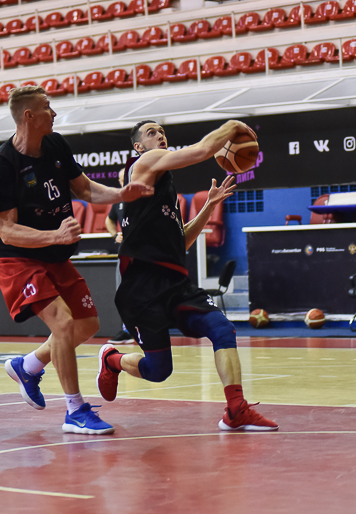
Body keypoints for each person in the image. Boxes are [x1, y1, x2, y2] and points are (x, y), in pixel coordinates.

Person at [0, 86, 153, 435]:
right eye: (47, 107)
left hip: (53, 253)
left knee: (87, 324)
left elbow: (85, 188)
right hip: (17, 258)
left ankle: (29, 366)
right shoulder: (0, 166)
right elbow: (7, 231)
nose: (54, 113)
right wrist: (55, 235)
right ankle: (75, 410)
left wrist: (121, 194)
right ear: (29, 116)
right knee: (62, 323)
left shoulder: (56, 145)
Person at [96, 120, 278, 432]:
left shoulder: (164, 186)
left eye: (162, 131)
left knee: (222, 328)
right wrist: (232, 125)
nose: (160, 135)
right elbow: (203, 149)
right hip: (142, 288)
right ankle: (112, 359)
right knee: (158, 370)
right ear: (138, 147)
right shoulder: (145, 162)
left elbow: (180, 242)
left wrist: (208, 206)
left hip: (175, 284)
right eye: (151, 132)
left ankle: (236, 410)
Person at [105, 168, 134, 345]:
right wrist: (115, 234)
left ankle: (145, 328)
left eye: (126, 178)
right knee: (122, 291)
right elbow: (109, 220)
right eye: (121, 179)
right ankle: (127, 330)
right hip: (125, 252)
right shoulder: (119, 200)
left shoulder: (144, 197)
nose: (123, 181)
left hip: (145, 252)